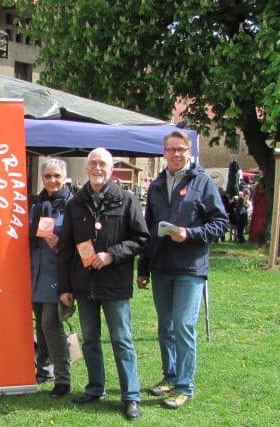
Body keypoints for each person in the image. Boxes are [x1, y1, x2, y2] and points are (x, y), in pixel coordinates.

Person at [137, 130, 228, 409]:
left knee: (184, 326)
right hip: (162, 267)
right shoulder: (155, 186)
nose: (175, 154)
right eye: (170, 149)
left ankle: (184, 387)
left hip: (190, 267)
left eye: (180, 149)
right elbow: (148, 231)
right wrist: (143, 269)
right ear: (163, 153)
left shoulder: (202, 183)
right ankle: (170, 375)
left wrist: (189, 234)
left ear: (189, 152)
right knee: (166, 326)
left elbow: (220, 223)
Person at [57, 148, 149, 421]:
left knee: (122, 341)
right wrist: (65, 287)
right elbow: (65, 250)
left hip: (114, 284)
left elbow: (142, 239)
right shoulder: (75, 204)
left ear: (111, 170)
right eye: (93, 164)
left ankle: (131, 396)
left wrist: (112, 254)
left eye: (103, 164)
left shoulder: (126, 200)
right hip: (83, 285)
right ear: (86, 169)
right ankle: (95, 388)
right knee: (90, 341)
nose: (97, 168)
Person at [29, 159, 73, 398]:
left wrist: (60, 246)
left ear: (64, 176)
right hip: (36, 274)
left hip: (58, 275)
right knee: (41, 325)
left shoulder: (72, 205)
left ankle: (63, 378)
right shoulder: (37, 203)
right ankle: (44, 370)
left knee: (51, 325)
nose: (52, 180)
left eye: (56, 176)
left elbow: (79, 243)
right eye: (47, 176)